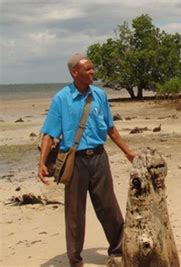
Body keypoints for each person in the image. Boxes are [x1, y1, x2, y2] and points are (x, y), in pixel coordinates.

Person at [37, 53, 136, 266]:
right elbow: (48, 134)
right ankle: (75, 260)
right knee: (74, 213)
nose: (93, 72)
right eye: (88, 69)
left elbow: (111, 128)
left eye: (92, 68)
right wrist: (41, 163)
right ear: (75, 72)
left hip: (99, 157)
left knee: (108, 206)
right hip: (75, 161)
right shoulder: (61, 99)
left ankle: (118, 250)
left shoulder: (99, 95)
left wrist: (127, 152)